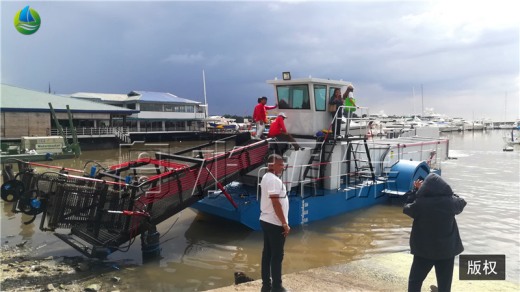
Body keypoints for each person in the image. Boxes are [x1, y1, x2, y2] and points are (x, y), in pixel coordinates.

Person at [403, 173, 466, 292]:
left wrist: (415, 191)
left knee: (415, 281)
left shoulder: (420, 203)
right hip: (446, 251)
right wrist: (449, 194)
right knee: (445, 284)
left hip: (424, 251)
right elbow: (462, 202)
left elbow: (406, 208)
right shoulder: (450, 202)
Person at [260, 154, 290, 292]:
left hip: (266, 220)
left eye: (283, 164)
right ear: (271, 165)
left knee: (267, 254)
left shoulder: (267, 177)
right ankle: (277, 287)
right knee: (277, 256)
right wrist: (284, 223)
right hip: (274, 223)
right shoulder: (272, 180)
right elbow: (275, 202)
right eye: (280, 164)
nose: (282, 167)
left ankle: (266, 286)